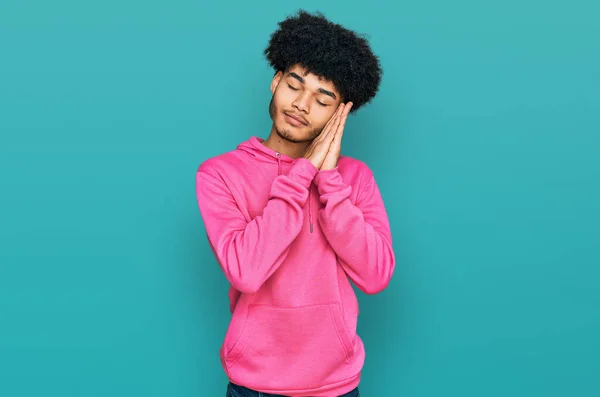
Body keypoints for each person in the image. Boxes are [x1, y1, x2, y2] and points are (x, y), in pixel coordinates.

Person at [196, 9, 395, 397]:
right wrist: (302, 174)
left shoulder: (355, 179)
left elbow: (376, 276)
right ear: (275, 82)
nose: (301, 104)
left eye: (323, 99)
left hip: (336, 385)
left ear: (341, 112)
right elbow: (247, 272)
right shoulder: (219, 174)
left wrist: (330, 181)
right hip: (254, 386)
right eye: (294, 85)